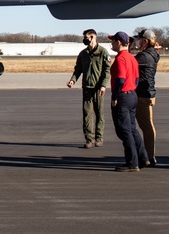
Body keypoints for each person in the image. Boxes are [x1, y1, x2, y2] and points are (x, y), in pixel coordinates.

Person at [109, 31, 147, 172]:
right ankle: (143, 157)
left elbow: (120, 79)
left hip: (123, 96)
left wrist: (115, 97)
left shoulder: (121, 59)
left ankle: (132, 162)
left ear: (119, 42)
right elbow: (136, 79)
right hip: (132, 95)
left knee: (124, 131)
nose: (111, 44)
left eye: (113, 41)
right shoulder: (132, 58)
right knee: (132, 129)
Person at [66, 29, 110, 148]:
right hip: (87, 88)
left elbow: (107, 70)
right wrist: (72, 80)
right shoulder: (83, 54)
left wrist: (103, 85)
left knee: (99, 113)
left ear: (92, 37)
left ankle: (99, 138)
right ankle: (89, 139)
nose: (84, 39)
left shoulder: (103, 52)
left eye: (86, 37)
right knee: (87, 114)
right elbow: (78, 69)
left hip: (98, 89)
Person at [134, 29, 160, 164]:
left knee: (147, 126)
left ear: (145, 41)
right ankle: (149, 154)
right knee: (147, 125)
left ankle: (149, 156)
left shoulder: (144, 57)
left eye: (139, 39)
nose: (137, 41)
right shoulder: (153, 54)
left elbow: (130, 64)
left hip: (143, 95)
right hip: (148, 93)